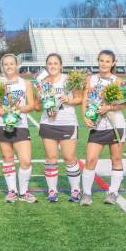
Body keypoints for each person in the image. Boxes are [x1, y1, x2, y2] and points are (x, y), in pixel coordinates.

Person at [80, 50, 126, 206]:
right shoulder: (90, 79)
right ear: (97, 61)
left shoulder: (118, 81)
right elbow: (85, 100)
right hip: (97, 125)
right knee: (91, 159)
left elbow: (123, 105)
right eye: (101, 60)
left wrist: (108, 107)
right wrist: (85, 116)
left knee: (116, 159)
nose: (104, 64)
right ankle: (86, 194)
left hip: (115, 125)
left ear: (113, 63)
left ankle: (113, 192)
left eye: (107, 61)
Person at [36, 53, 82, 202]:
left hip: (67, 121)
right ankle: (52, 191)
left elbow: (80, 98)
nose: (53, 66)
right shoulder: (42, 82)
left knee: (69, 157)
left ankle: (75, 190)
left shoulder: (68, 79)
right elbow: (37, 105)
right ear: (46, 65)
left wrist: (69, 99)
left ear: (61, 65)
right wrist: (43, 102)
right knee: (51, 158)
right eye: (50, 63)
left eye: (56, 63)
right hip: (48, 122)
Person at [0, 54, 37, 203]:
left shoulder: (26, 83)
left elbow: (31, 105)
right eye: (6, 64)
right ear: (2, 67)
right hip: (1, 123)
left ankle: (24, 192)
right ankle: (12, 191)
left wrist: (17, 109)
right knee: (8, 158)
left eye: (12, 63)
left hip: (20, 124)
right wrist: (6, 112)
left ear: (17, 65)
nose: (9, 66)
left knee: (25, 160)